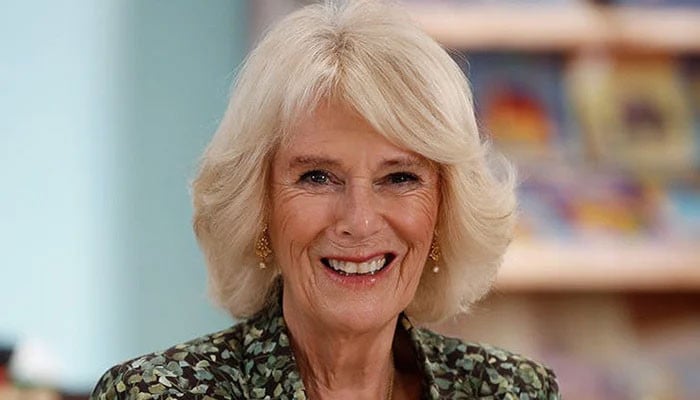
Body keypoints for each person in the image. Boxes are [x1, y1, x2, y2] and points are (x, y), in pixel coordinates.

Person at [91, 1, 560, 399]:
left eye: (399, 177)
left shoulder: (513, 389)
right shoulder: (155, 392)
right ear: (259, 207)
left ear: (444, 209)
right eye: (317, 177)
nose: (359, 220)